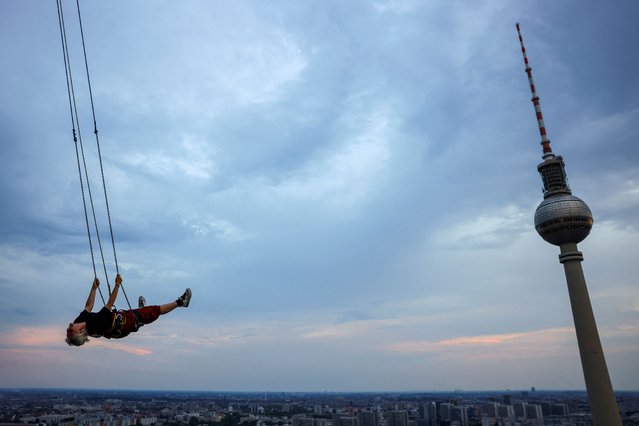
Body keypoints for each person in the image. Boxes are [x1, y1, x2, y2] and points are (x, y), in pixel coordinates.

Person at [66, 274, 191, 346]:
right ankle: (181, 302)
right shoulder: (95, 325)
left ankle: (141, 312)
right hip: (125, 325)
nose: (68, 330)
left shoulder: (78, 321)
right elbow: (109, 303)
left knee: (139, 314)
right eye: (70, 333)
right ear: (80, 332)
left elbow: (88, 307)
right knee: (154, 310)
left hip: (119, 319)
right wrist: (117, 285)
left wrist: (93, 288)